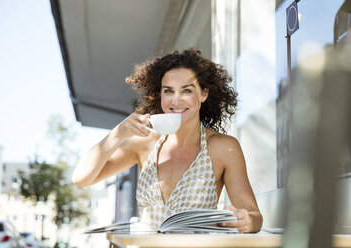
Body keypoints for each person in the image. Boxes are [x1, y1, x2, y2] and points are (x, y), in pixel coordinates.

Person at [72, 49, 263, 233]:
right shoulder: (143, 143)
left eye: (186, 91)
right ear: (160, 94)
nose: (176, 100)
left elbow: (255, 217)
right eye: (168, 91)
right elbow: (81, 178)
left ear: (203, 94)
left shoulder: (224, 148)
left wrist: (243, 220)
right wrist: (116, 135)